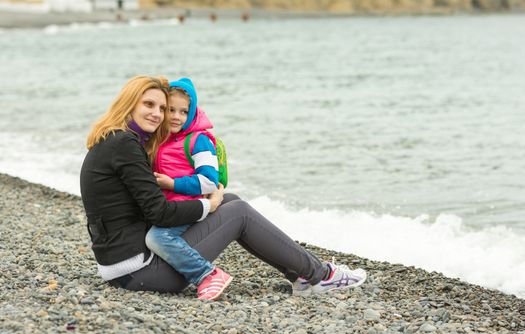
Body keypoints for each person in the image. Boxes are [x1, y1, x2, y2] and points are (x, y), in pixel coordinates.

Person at [80, 75, 367, 300]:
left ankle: (301, 275)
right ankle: (319, 276)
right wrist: (210, 204)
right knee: (237, 211)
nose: (158, 114)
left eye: (163, 108)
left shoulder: (114, 141)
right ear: (129, 103)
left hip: (126, 264)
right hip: (140, 272)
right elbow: (158, 213)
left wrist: (217, 201)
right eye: (149, 105)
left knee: (231, 199)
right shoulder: (125, 145)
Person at [146, 77, 233, 301]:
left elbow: (209, 182)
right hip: (170, 207)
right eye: (171, 110)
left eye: (183, 112)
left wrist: (172, 184)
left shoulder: (198, 140)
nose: (176, 116)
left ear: (192, 112)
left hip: (191, 206)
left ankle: (207, 274)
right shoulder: (162, 139)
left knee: (157, 238)